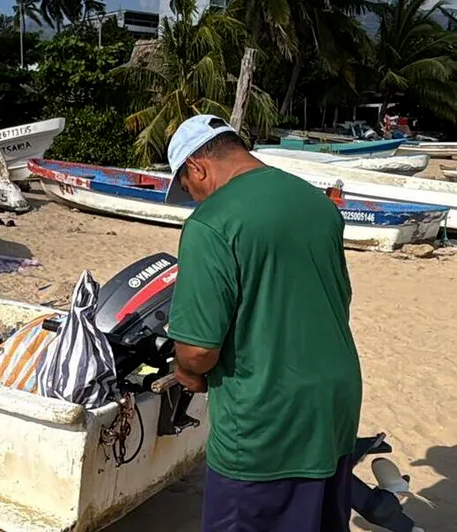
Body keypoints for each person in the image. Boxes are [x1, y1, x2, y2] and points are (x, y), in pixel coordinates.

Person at [164, 115, 363, 532]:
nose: (195, 199)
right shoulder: (316, 204)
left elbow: (198, 349)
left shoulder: (211, 223)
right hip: (334, 406)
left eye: (188, 189)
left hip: (266, 419)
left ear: (197, 167)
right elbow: (333, 300)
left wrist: (186, 371)